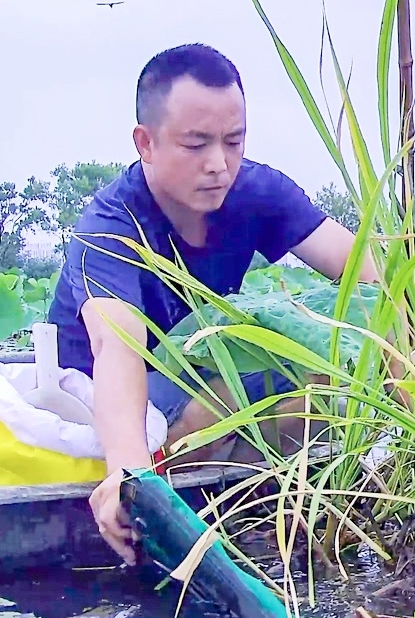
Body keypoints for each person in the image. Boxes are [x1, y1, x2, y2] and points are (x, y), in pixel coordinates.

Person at [46, 43, 378, 566]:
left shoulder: (255, 191)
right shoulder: (110, 226)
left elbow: (367, 269)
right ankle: (181, 496)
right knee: (228, 406)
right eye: (196, 144)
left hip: (199, 370)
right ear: (146, 143)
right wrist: (128, 473)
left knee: (337, 378)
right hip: (106, 400)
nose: (218, 165)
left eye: (233, 142)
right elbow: (117, 346)